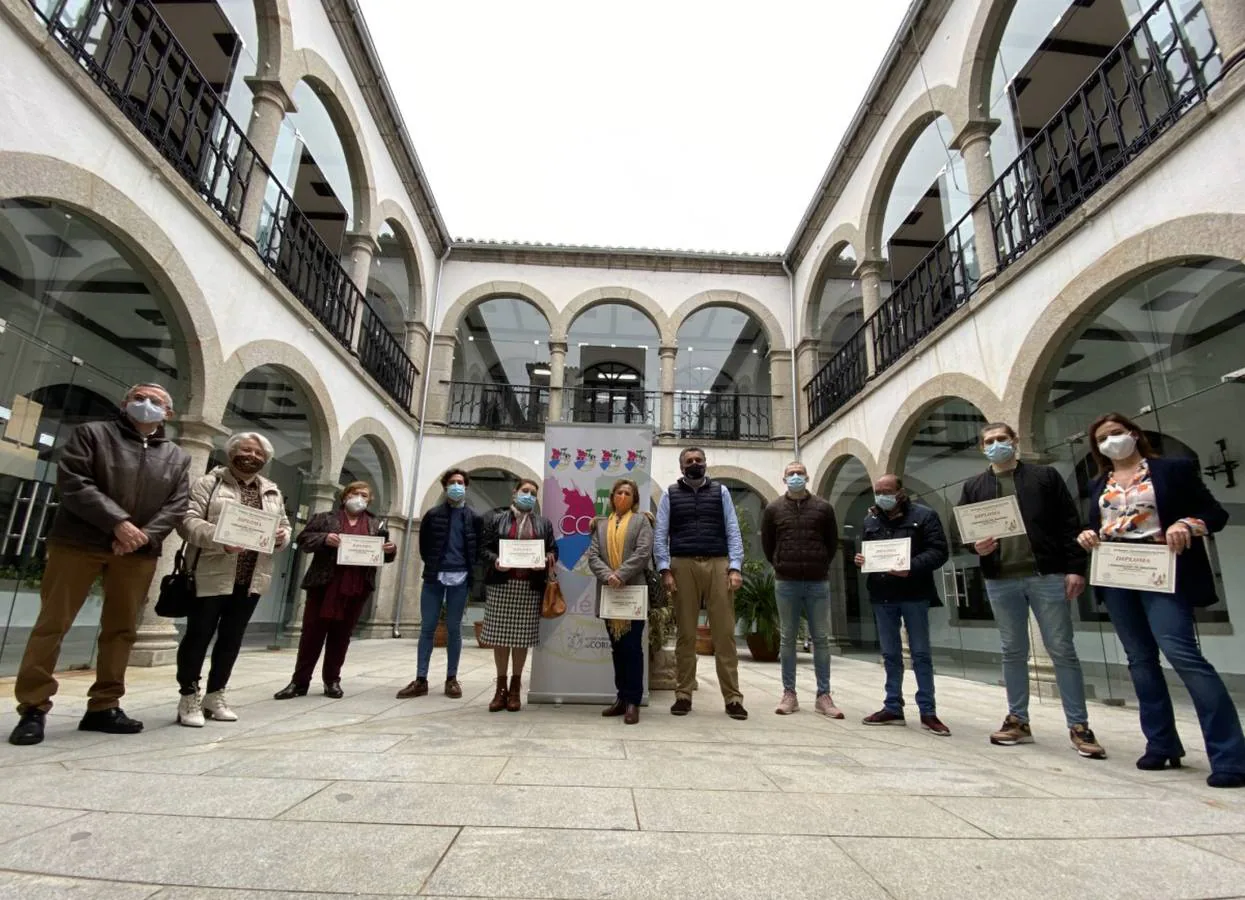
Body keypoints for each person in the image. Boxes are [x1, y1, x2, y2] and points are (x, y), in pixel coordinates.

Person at [8, 384, 191, 746]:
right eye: (139, 398)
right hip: (79, 543)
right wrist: (118, 523)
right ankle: (33, 707)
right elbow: (74, 482)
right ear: (125, 403)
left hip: (137, 553)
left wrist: (142, 536)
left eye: (156, 401)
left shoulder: (176, 456)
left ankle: (104, 705)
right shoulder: (92, 434)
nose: (146, 405)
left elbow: (177, 504)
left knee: (121, 629)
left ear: (167, 414)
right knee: (52, 624)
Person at [1077, 412, 1245, 788]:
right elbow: (1099, 525)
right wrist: (1088, 535)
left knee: (1182, 653)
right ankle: (1161, 743)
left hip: (1162, 571)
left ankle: (1229, 755)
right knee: (1139, 659)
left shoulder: (1171, 470)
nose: (1111, 441)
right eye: (1103, 438)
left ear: (1134, 435)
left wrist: (1186, 524)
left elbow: (1213, 513)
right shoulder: (1098, 484)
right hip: (1117, 575)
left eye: (1117, 433)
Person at [958, 422, 1106, 759]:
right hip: (1001, 578)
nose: (996, 445)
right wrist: (975, 547)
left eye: (1002, 439)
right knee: (1012, 650)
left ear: (1015, 441)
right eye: (989, 441)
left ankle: (1079, 726)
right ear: (982, 448)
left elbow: (1070, 523)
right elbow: (964, 532)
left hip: (1046, 575)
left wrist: (1074, 568)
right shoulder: (975, 486)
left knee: (1061, 649)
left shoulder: (1044, 478)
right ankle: (1018, 720)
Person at [174, 432, 291, 727]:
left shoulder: (271, 491)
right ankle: (189, 695)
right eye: (245, 450)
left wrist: (281, 537)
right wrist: (220, 539)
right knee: (198, 635)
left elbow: (285, 526)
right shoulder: (209, 483)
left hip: (251, 577)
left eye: (257, 453)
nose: (251, 455)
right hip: (211, 572)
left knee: (231, 639)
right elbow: (187, 522)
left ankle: (216, 694)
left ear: (264, 460)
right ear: (231, 452)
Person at [273, 481, 396, 700]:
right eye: (356, 493)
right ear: (345, 495)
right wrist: (324, 538)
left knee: (341, 637)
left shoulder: (376, 524)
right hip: (324, 585)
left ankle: (332, 681)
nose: (360, 498)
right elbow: (303, 540)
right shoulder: (325, 518)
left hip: (356, 587)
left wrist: (390, 550)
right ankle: (299, 682)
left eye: (365, 496)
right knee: (311, 635)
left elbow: (384, 555)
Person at [853, 474, 951, 736]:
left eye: (887, 491)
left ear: (900, 492)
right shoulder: (870, 519)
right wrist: (862, 559)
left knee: (920, 653)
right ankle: (893, 706)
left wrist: (910, 567)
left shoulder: (924, 516)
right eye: (878, 491)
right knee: (890, 654)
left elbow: (939, 552)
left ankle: (928, 711)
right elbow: (870, 551)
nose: (882, 495)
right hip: (883, 594)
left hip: (914, 593)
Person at [654, 447, 748, 720]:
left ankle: (732, 698)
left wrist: (735, 567)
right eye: (689, 461)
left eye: (699, 460)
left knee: (725, 634)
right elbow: (661, 533)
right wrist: (664, 569)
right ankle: (683, 694)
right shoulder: (670, 494)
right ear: (681, 467)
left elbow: (732, 529)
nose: (695, 464)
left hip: (718, 563)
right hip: (682, 565)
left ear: (706, 463)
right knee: (685, 634)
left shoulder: (721, 492)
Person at [761, 460, 843, 718]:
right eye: (791, 474)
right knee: (787, 638)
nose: (795, 476)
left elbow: (831, 543)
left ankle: (824, 695)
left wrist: (818, 563)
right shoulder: (774, 509)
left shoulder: (823, 508)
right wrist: (781, 563)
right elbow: (768, 544)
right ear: (783, 479)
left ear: (807, 477)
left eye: (799, 473)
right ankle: (789, 694)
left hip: (818, 582)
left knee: (821, 638)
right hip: (786, 581)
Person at [398, 468, 482, 700]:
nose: (457, 486)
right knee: (427, 628)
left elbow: (476, 549)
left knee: (454, 629)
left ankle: (451, 679)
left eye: (461, 483)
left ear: (466, 486)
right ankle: (421, 678)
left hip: (461, 578)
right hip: (434, 577)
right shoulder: (433, 515)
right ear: (445, 487)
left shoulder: (474, 517)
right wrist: (435, 564)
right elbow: (424, 547)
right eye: (453, 482)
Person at [479, 478, 557, 712]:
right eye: (525, 491)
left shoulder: (543, 523)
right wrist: (496, 561)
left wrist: (544, 560)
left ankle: (515, 687)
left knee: (521, 640)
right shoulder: (497, 519)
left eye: (533, 493)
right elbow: (483, 549)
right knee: (500, 639)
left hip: (529, 588)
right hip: (501, 585)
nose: (529, 496)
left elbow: (554, 550)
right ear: (514, 493)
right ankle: (500, 687)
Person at [587, 478, 654, 725]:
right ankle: (621, 698)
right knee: (617, 649)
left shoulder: (641, 522)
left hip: (632, 593)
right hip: (610, 595)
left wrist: (621, 574)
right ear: (612, 496)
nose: (623, 496)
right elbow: (593, 555)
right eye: (619, 492)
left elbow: (643, 552)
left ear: (634, 499)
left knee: (633, 649)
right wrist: (609, 576)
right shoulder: (601, 525)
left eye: (628, 493)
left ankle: (633, 701)